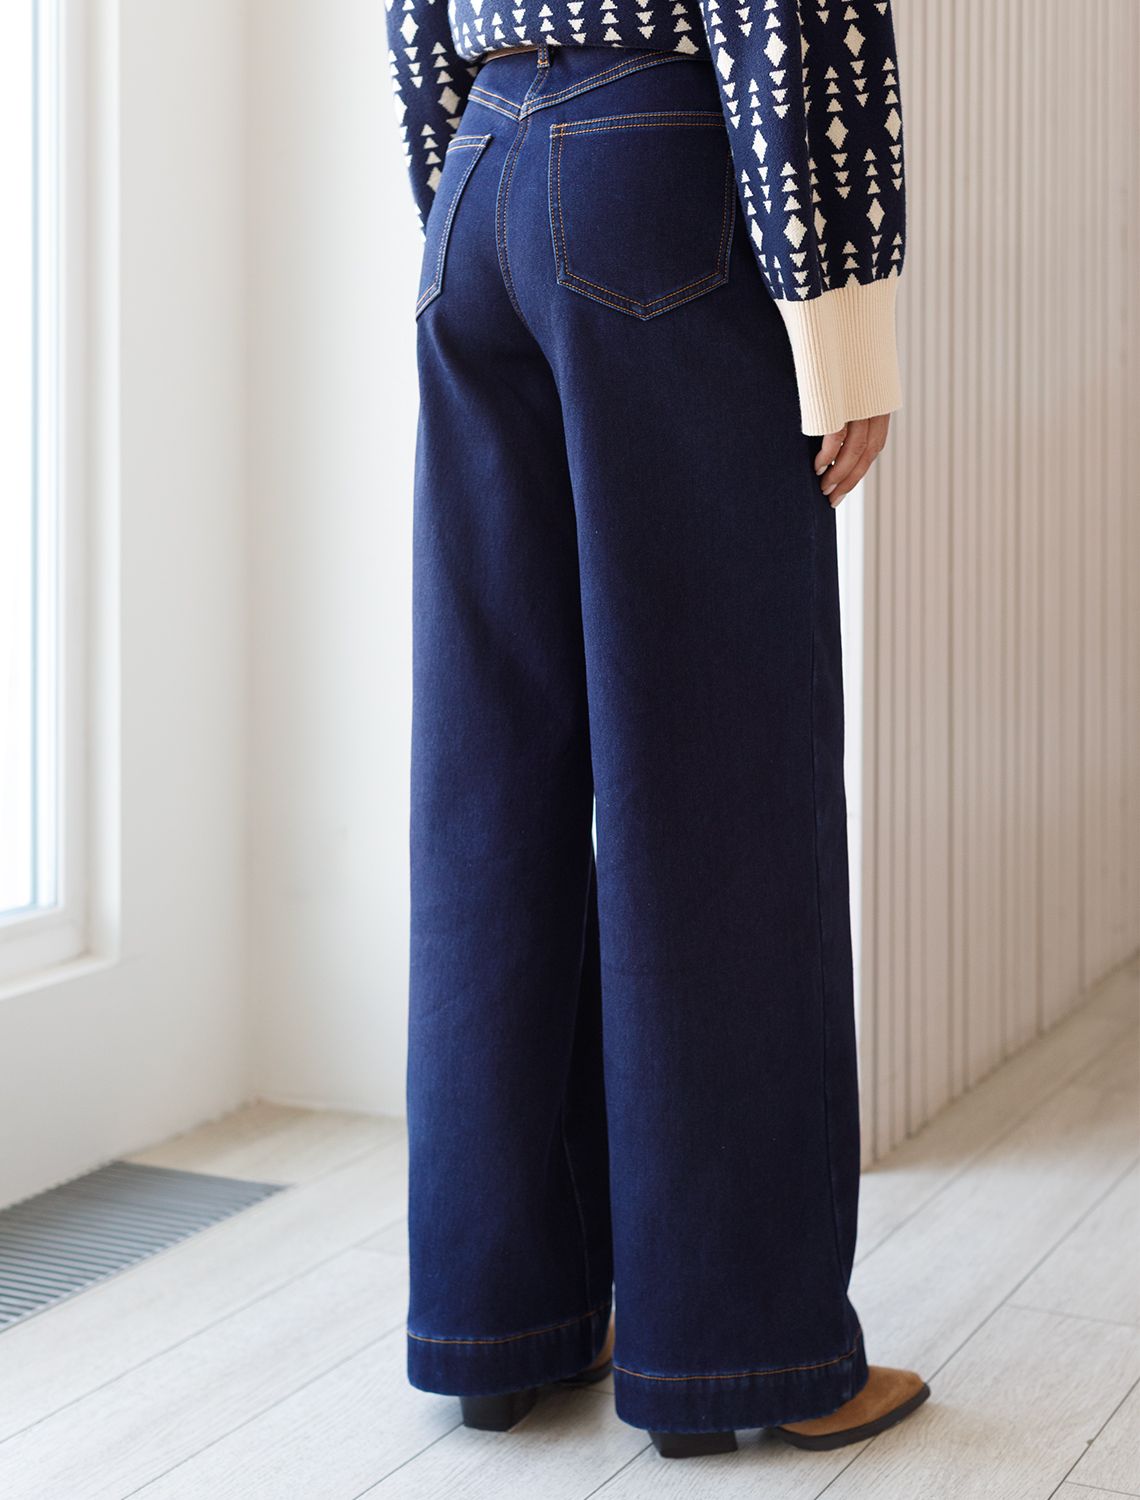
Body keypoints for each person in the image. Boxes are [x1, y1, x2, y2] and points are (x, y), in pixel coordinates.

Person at [385, 0, 931, 1460]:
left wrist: (467, 191)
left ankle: (502, 1330)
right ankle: (741, 1352)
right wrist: (840, 318)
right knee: (718, 781)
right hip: (656, 175)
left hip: (477, 181)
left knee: (491, 781)